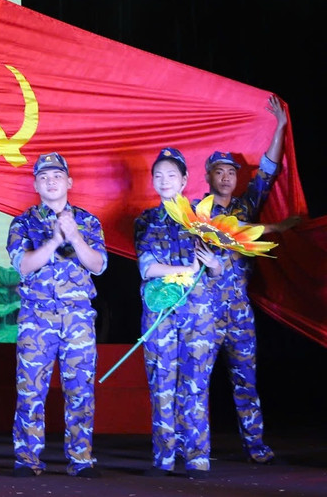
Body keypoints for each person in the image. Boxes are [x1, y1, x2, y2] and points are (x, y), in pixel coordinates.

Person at [201, 96, 296, 464]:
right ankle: (194, 448)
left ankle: (255, 446)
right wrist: (275, 227)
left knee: (246, 379)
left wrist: (280, 127)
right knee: (197, 381)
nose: (226, 177)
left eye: (231, 172)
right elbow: (231, 231)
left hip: (239, 308)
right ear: (208, 176)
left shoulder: (246, 203)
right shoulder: (198, 211)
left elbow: (269, 170)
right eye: (219, 171)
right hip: (205, 309)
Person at [6, 152, 107, 478]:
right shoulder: (23, 223)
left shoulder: (88, 222)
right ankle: (27, 459)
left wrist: (74, 236)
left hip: (77, 318)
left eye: (57, 176)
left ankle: (81, 459)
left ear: (69, 182)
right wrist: (53, 240)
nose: (51, 182)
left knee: (80, 390)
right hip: (37, 317)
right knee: (30, 391)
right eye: (44, 177)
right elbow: (23, 265)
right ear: (36, 185)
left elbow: (98, 265)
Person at [134, 147, 224, 478]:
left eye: (171, 175)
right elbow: (147, 268)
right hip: (160, 314)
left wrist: (213, 263)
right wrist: (187, 269)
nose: (164, 180)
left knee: (196, 383)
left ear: (184, 180)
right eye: (158, 175)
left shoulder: (205, 219)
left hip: (198, 314)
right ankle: (164, 457)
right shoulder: (146, 221)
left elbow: (219, 270)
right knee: (162, 385)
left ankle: (197, 456)